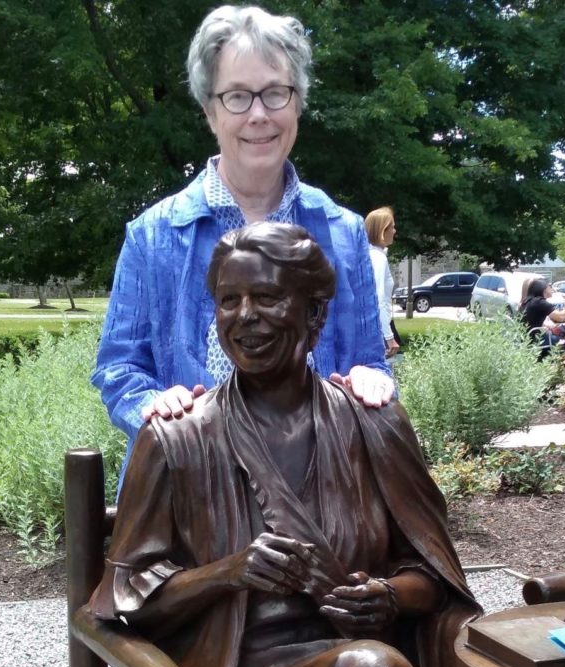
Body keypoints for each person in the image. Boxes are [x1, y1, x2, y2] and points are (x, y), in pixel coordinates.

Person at [87, 223, 481, 667]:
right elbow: (123, 600)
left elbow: (433, 577)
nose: (245, 315)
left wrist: (387, 597)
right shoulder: (178, 437)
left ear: (315, 314)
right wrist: (229, 573)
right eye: (230, 300)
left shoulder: (374, 426)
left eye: (268, 297)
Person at [91, 5, 393, 479]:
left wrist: (371, 380)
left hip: (320, 490)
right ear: (210, 111)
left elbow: (369, 360)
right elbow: (118, 369)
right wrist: (151, 404)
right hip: (190, 496)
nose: (259, 115)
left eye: (275, 93)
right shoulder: (153, 235)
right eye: (237, 96)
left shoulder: (342, 230)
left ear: (297, 103)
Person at [365, 207, 400, 358]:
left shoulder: (371, 255)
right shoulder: (378, 258)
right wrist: (389, 337)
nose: (394, 231)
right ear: (382, 230)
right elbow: (378, 300)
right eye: (391, 227)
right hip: (376, 333)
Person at [520, 279, 565, 362]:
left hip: (528, 338)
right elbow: (560, 317)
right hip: (538, 340)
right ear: (544, 289)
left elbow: (555, 318)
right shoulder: (539, 302)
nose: (552, 289)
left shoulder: (528, 301)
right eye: (549, 286)